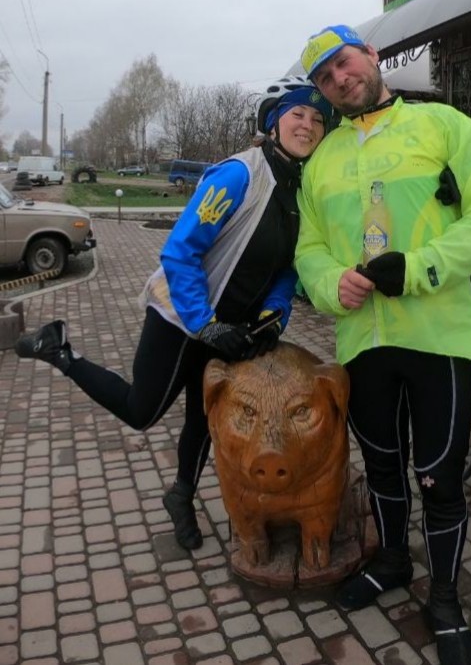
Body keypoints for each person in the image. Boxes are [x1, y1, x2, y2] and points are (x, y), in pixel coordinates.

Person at [15, 77, 331, 551]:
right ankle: (60, 351)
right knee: (141, 411)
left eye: (318, 119)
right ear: (273, 123)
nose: (307, 125)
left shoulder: (300, 190)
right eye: (297, 114)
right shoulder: (239, 176)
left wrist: (274, 313)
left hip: (229, 329)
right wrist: (204, 324)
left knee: (205, 417)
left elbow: (288, 267)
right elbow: (180, 252)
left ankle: (181, 494)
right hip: (182, 315)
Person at [295, 25, 471, 665]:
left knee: (439, 478)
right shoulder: (321, 161)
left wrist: (420, 267)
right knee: (382, 467)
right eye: (325, 78)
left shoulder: (444, 126)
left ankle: (444, 599)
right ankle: (393, 561)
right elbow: (309, 248)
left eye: (344, 63)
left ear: (370, 55)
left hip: (437, 336)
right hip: (363, 340)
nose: (339, 80)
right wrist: (329, 283)